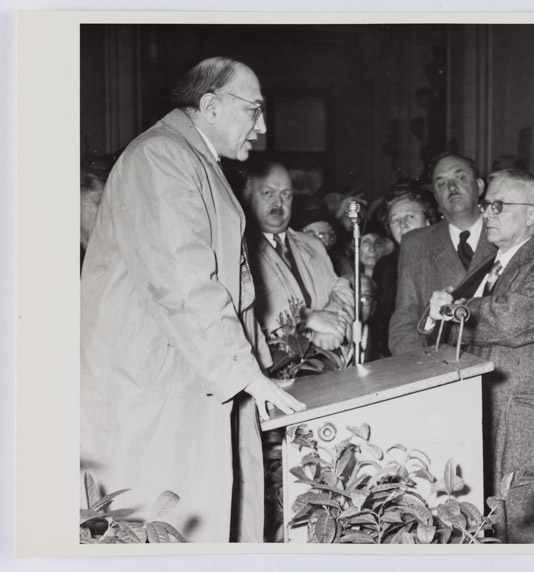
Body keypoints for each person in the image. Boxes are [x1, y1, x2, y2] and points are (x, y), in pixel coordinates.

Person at [80, 57, 305, 543]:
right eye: (254, 111)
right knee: (163, 528)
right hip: (153, 389)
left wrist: (253, 368)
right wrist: (246, 372)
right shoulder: (161, 157)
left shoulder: (191, 158)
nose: (262, 127)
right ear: (211, 106)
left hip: (187, 374)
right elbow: (185, 283)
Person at [424, 169, 534, 543]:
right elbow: (448, 327)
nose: (488, 214)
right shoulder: (488, 265)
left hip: (528, 425)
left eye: (499, 205)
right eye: (486, 205)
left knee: (528, 541)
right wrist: (437, 313)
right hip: (483, 416)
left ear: (532, 214)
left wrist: (453, 309)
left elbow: (512, 320)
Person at [389, 153, 496, 355]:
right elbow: (403, 325)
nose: (452, 188)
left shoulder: (503, 234)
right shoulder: (416, 244)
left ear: (480, 186)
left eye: (460, 178)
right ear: (436, 197)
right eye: (441, 183)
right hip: (441, 369)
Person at [241, 160, 354, 350]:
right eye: (268, 193)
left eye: (285, 194)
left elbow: (342, 288)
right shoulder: (240, 250)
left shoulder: (313, 244)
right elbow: (247, 316)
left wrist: (328, 320)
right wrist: (308, 318)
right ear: (247, 195)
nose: (278, 203)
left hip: (327, 361)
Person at [371, 187, 438, 358]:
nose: (402, 225)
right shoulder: (385, 267)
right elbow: (382, 326)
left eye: (410, 217)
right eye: (395, 220)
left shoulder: (443, 256)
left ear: (428, 221)